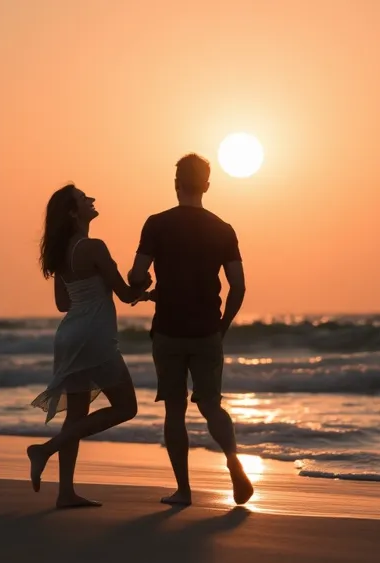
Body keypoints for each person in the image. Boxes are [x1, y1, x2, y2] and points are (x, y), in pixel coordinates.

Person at [127, 153, 253, 506]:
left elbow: (137, 275)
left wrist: (140, 285)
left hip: (168, 329)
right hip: (206, 330)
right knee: (212, 405)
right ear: (207, 186)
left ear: (176, 183)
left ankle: (183, 490)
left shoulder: (157, 224)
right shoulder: (223, 229)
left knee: (174, 410)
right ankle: (232, 461)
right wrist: (222, 326)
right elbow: (238, 286)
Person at [27, 183, 152, 509]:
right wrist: (143, 285)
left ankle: (65, 493)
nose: (91, 200)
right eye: (83, 199)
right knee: (127, 407)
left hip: (69, 336)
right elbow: (125, 295)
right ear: (73, 212)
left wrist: (101, 294)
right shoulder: (94, 247)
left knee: (77, 414)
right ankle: (45, 449)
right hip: (94, 337)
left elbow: (62, 303)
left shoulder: (61, 251)